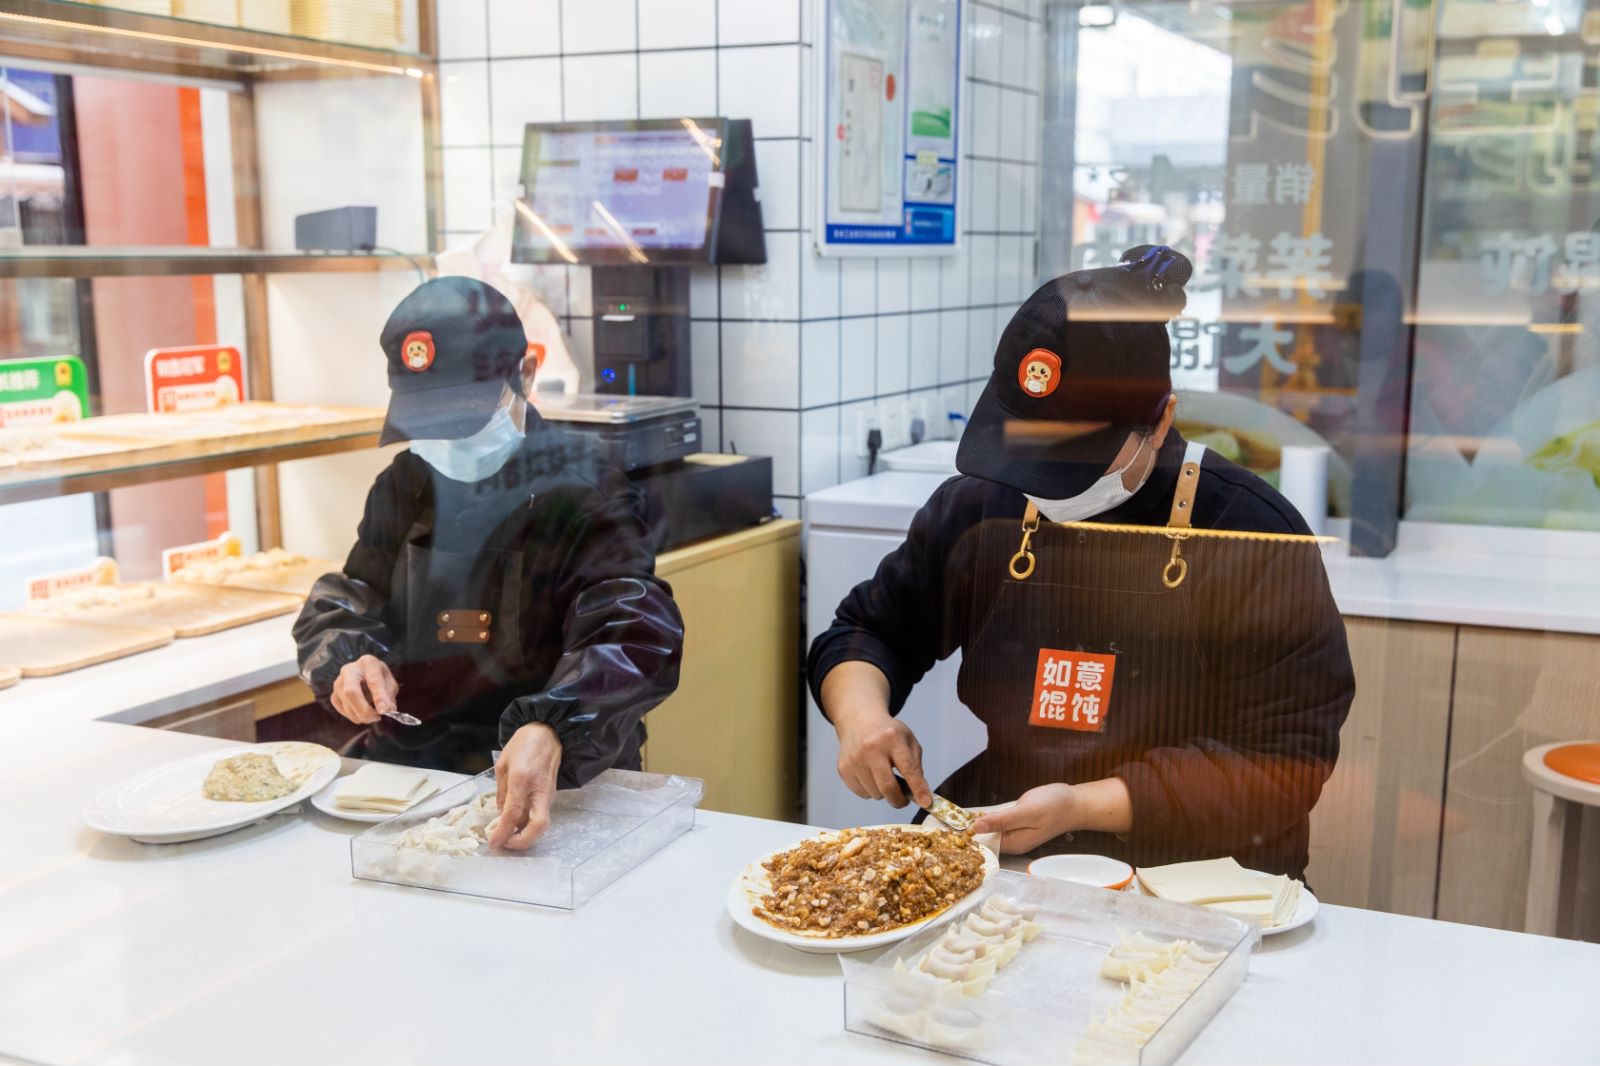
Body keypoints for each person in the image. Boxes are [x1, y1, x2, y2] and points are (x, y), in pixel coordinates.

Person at [807, 246, 1355, 878]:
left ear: (1161, 421)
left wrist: (1082, 807)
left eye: (1073, 461)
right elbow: (868, 630)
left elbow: (1285, 761)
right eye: (1027, 449)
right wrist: (862, 719)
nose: (1043, 484)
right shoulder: (982, 506)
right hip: (1013, 845)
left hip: (1200, 876)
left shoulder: (1251, 533)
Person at [294, 277, 684, 849]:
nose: (446, 442)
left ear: (526, 374)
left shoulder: (586, 488)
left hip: (557, 783)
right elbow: (351, 593)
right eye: (429, 421)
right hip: (417, 781)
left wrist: (555, 723)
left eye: (464, 418)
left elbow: (632, 631)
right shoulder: (404, 484)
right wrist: (348, 656)